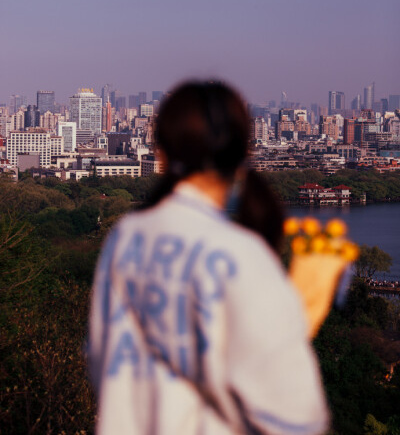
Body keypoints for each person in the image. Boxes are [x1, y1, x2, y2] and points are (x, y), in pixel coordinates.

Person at [88, 81, 329, 435]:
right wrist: (301, 312)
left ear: (160, 152)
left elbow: (101, 365)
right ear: (243, 150)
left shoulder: (125, 237)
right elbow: (297, 419)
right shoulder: (242, 255)